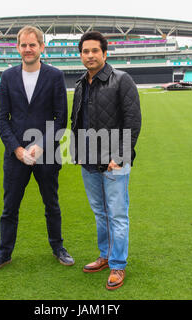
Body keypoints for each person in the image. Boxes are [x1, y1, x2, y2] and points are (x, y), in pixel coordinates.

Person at [0, 26, 74, 274]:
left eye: (33, 45)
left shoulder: (55, 76)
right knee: (9, 208)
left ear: (42, 47)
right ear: (18, 47)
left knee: (51, 204)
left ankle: (58, 248)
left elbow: (60, 118)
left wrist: (41, 146)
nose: (28, 49)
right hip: (16, 157)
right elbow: (2, 119)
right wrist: (17, 150)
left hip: (46, 154)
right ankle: (3, 254)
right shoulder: (8, 77)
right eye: (23, 45)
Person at [71, 31, 141, 290]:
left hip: (114, 162)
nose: (89, 55)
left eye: (94, 51)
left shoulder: (122, 80)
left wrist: (120, 156)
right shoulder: (80, 83)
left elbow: (132, 121)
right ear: (81, 55)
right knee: (100, 213)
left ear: (104, 53)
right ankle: (104, 255)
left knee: (117, 214)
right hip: (88, 161)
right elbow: (76, 122)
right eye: (85, 51)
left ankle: (118, 265)